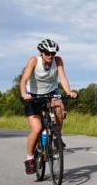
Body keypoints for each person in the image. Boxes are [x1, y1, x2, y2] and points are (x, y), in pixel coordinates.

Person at [19, 39, 77, 175]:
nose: (50, 56)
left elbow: (62, 77)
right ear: (41, 52)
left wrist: (69, 92)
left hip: (51, 93)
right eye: (47, 53)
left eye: (53, 53)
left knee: (59, 110)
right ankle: (30, 158)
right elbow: (24, 80)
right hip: (33, 96)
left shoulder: (58, 61)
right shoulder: (34, 61)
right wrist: (24, 94)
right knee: (37, 128)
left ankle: (57, 137)